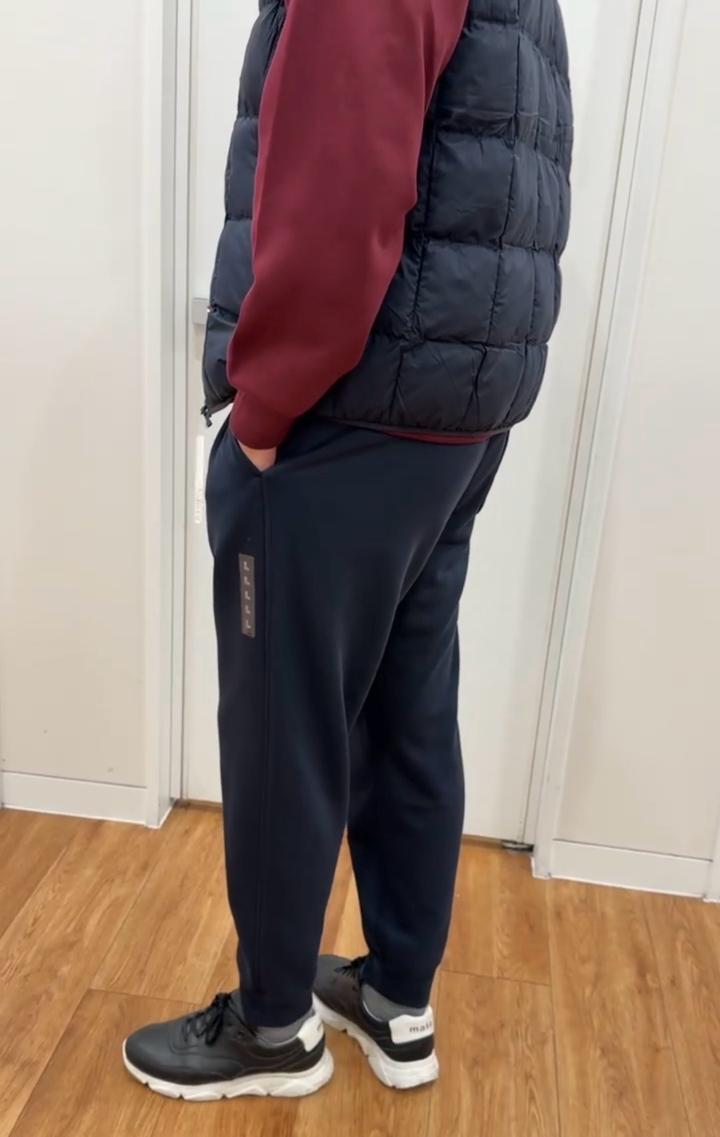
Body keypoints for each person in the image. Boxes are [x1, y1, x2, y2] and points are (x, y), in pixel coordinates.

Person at [124, 0, 572, 1100]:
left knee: (284, 727)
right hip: (459, 405)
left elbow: (341, 186)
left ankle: (274, 1029)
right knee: (408, 706)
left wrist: (265, 406)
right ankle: (396, 1001)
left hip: (347, 411)